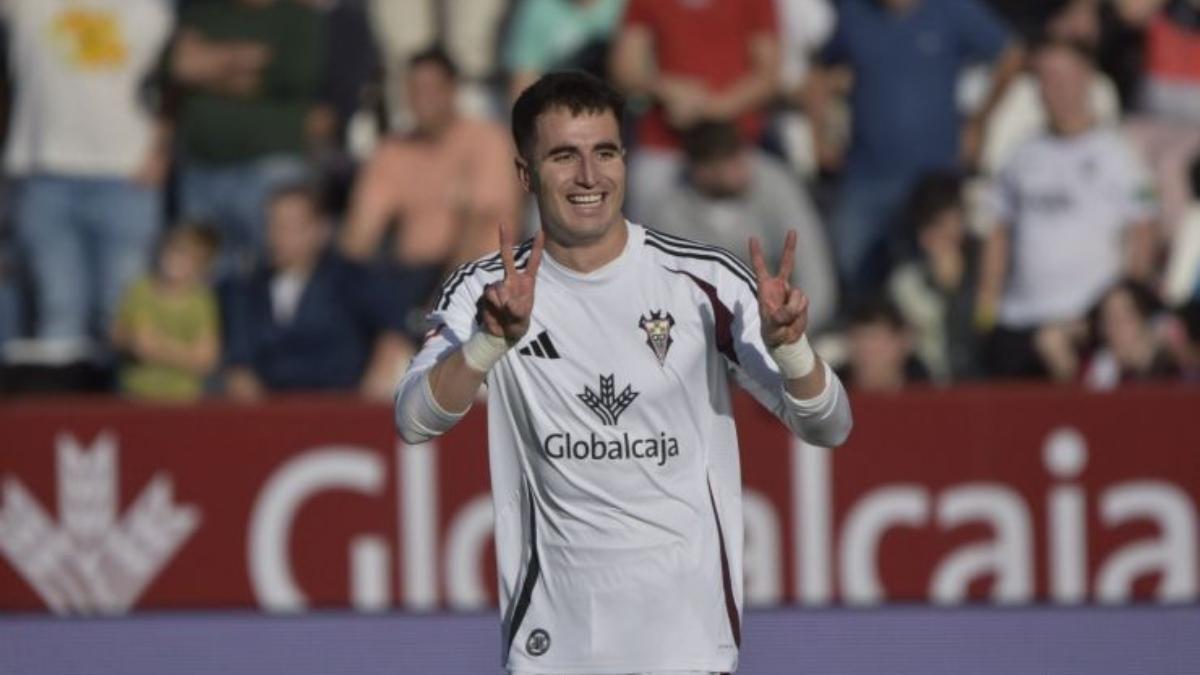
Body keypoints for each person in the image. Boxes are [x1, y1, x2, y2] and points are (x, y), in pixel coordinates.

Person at [394, 72, 851, 674]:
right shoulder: (487, 291)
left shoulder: (703, 281)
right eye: (564, 156)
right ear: (526, 174)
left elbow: (830, 427)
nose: (589, 177)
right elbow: (414, 421)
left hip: (686, 644)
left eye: (604, 153)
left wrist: (792, 350)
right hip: (552, 646)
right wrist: (488, 344)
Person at [808, 0, 1022, 302]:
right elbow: (818, 70)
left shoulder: (952, 10)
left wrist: (979, 121)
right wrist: (819, 136)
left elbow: (1010, 56)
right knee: (854, 274)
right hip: (866, 176)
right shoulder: (855, 14)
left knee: (936, 284)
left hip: (933, 181)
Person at [977, 38, 1158, 379]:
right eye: (1044, 79)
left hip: (1084, 326)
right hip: (1019, 320)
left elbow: (1144, 230)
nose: (1053, 89)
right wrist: (986, 310)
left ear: (1086, 80)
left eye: (1062, 78)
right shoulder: (1021, 155)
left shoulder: (1117, 153)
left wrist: (1122, 313)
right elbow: (997, 231)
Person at [5, 0, 174, 353]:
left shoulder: (149, 9)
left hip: (126, 175)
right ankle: (63, 404)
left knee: (122, 313)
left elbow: (175, 82)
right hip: (46, 173)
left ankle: (120, 405)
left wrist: (162, 147)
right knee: (59, 308)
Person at [171, 0, 324, 278]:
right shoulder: (202, 11)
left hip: (269, 168)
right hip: (202, 168)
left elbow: (291, 75)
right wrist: (241, 59)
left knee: (276, 272)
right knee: (200, 277)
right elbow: (180, 66)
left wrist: (208, 65)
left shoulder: (297, 16)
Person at [222, 185, 409, 402]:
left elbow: (392, 330)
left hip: (342, 408)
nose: (277, 235)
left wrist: (379, 377)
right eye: (272, 224)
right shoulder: (247, 289)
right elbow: (239, 362)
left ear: (320, 231)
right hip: (273, 414)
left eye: (290, 226)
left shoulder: (352, 280)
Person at [649, 120, 837, 334]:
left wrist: (788, 331)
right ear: (701, 170)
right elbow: (664, 295)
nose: (743, 167)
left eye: (740, 156)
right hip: (708, 338)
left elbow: (817, 277)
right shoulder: (670, 213)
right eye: (728, 162)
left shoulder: (777, 184)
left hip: (785, 330)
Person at [609, 0, 781, 221]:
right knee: (644, 208)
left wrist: (709, 108)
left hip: (736, 144)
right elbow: (625, 70)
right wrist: (665, 88)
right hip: (665, 145)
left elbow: (768, 75)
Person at [887, 172, 982, 384]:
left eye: (941, 225)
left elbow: (980, 343)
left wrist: (954, 292)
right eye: (926, 227)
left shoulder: (989, 274)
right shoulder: (904, 283)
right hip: (926, 391)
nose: (930, 239)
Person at [111, 224, 221, 403]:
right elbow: (116, 334)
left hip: (181, 400)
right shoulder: (140, 289)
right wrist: (132, 340)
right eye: (173, 251)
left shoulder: (201, 302)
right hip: (133, 394)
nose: (175, 260)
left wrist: (159, 348)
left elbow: (206, 359)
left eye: (186, 256)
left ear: (201, 265)